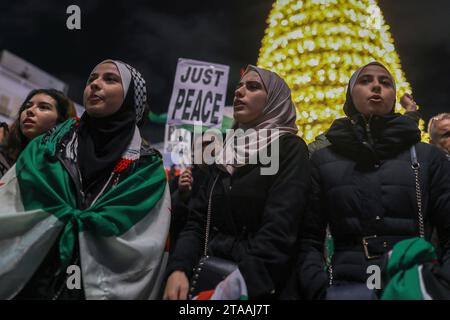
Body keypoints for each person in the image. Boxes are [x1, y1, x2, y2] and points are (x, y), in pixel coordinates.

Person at [0, 60, 171, 299]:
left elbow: (146, 240)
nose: (95, 85)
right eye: (92, 79)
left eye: (110, 79)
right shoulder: (50, 143)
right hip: (33, 275)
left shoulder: (146, 167)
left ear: (132, 96)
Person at [298, 61, 450, 300]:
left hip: (413, 286)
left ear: (394, 95)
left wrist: (439, 284)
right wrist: (317, 288)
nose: (376, 86)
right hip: (341, 288)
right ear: (351, 94)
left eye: (385, 82)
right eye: (365, 81)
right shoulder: (323, 160)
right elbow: (308, 237)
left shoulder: (428, 157)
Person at [163, 65, 310, 300]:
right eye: (239, 87)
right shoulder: (221, 152)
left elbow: (280, 229)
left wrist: (235, 289)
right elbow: (197, 222)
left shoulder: (290, 149)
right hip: (208, 277)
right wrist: (179, 269)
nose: (239, 92)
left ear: (274, 100)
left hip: (262, 287)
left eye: (252, 87)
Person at [0, 89, 75, 178]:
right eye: (27, 106)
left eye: (43, 107)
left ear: (61, 121)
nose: (30, 110)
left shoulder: (61, 170)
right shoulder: (4, 142)